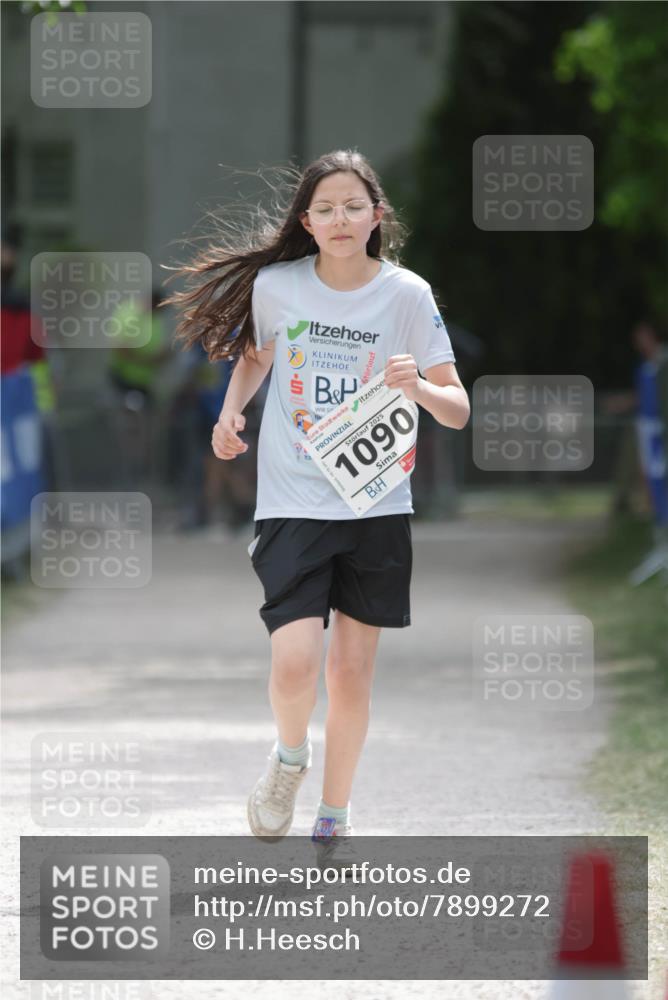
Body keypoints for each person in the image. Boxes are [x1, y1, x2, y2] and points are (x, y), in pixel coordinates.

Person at [165, 149, 470, 869]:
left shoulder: (407, 296)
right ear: (307, 221)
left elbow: (456, 410)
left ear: (377, 217)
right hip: (294, 498)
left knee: (352, 673)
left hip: (375, 502)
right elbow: (257, 354)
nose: (339, 219)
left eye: (353, 207)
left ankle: (335, 814)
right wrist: (231, 414)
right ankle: (288, 758)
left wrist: (418, 388)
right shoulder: (278, 287)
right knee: (298, 661)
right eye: (325, 209)